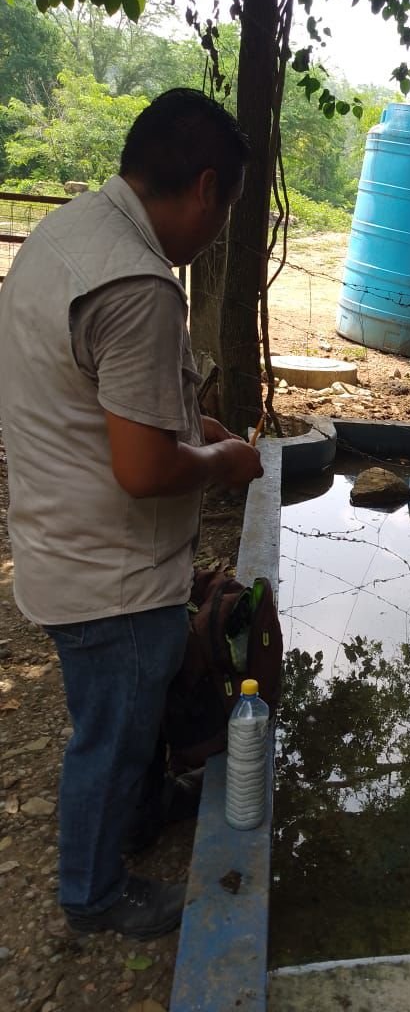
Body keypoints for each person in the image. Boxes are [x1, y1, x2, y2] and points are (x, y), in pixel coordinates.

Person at [0, 89, 263, 941]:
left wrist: (193, 423)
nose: (217, 230)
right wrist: (221, 462)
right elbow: (145, 468)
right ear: (205, 187)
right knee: (109, 738)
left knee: (126, 717)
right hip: (109, 576)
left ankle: (145, 812)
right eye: (223, 211)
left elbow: (106, 403)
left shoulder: (69, 236)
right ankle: (92, 894)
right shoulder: (143, 286)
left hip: (61, 541)